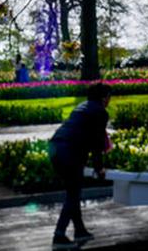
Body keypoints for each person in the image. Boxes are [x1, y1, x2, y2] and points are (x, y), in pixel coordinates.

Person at [48, 82, 113, 250]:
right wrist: (99, 168)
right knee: (73, 194)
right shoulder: (100, 112)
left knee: (73, 191)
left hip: (56, 148)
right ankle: (59, 235)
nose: (109, 100)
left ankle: (79, 230)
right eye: (109, 97)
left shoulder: (82, 107)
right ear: (103, 98)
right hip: (69, 152)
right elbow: (97, 143)